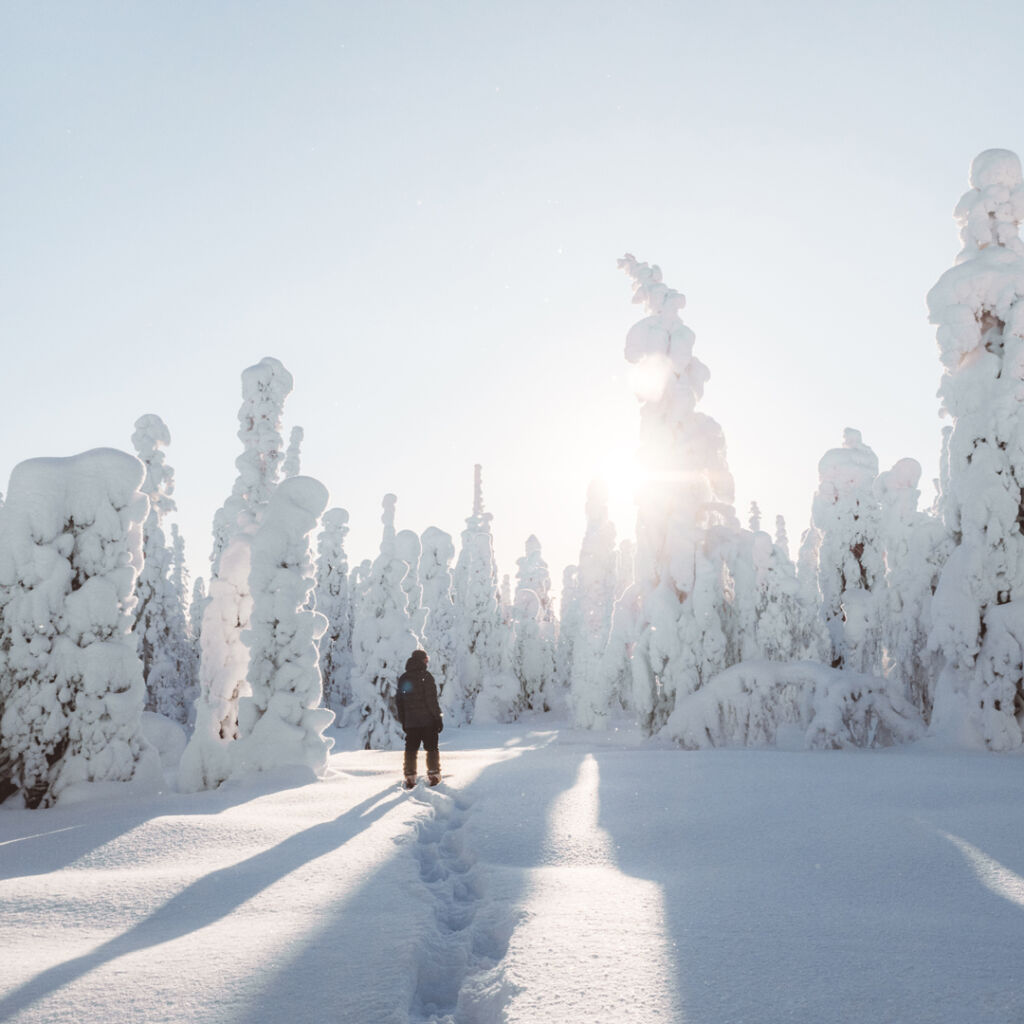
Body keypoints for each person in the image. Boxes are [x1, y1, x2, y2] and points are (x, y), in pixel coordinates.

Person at [396, 649, 443, 788]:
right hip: (428, 721)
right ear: (422, 660)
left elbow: (400, 701)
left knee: (411, 749)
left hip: (411, 722)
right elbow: (432, 701)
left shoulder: (405, 678)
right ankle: (434, 775)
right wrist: (438, 718)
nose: (427, 662)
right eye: (426, 660)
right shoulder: (426, 676)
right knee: (432, 748)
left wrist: (404, 720)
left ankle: (410, 777)